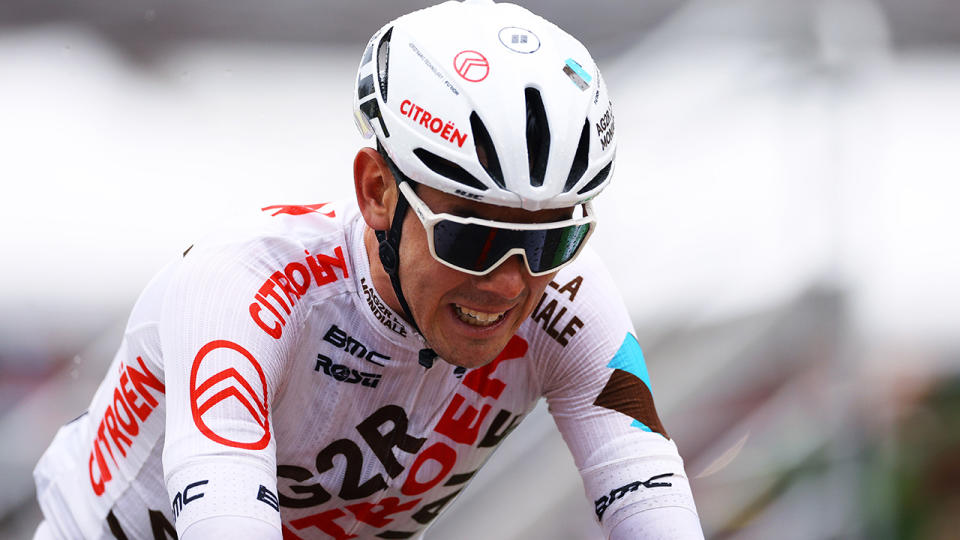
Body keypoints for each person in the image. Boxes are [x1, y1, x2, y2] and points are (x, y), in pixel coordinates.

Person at [32, 1, 704, 538]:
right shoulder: (241, 286)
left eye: (552, 241)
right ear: (377, 191)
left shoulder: (571, 302)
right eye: (471, 238)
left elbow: (649, 491)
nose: (508, 282)